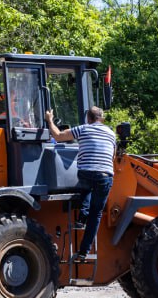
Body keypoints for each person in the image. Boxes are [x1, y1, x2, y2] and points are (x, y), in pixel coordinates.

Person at [46, 105, 116, 263]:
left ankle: (82, 216)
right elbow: (112, 157)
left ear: (89, 119)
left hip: (86, 173)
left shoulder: (83, 129)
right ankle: (83, 252)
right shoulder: (111, 134)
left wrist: (49, 120)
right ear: (101, 119)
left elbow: (57, 136)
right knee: (96, 214)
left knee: (86, 184)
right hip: (105, 176)